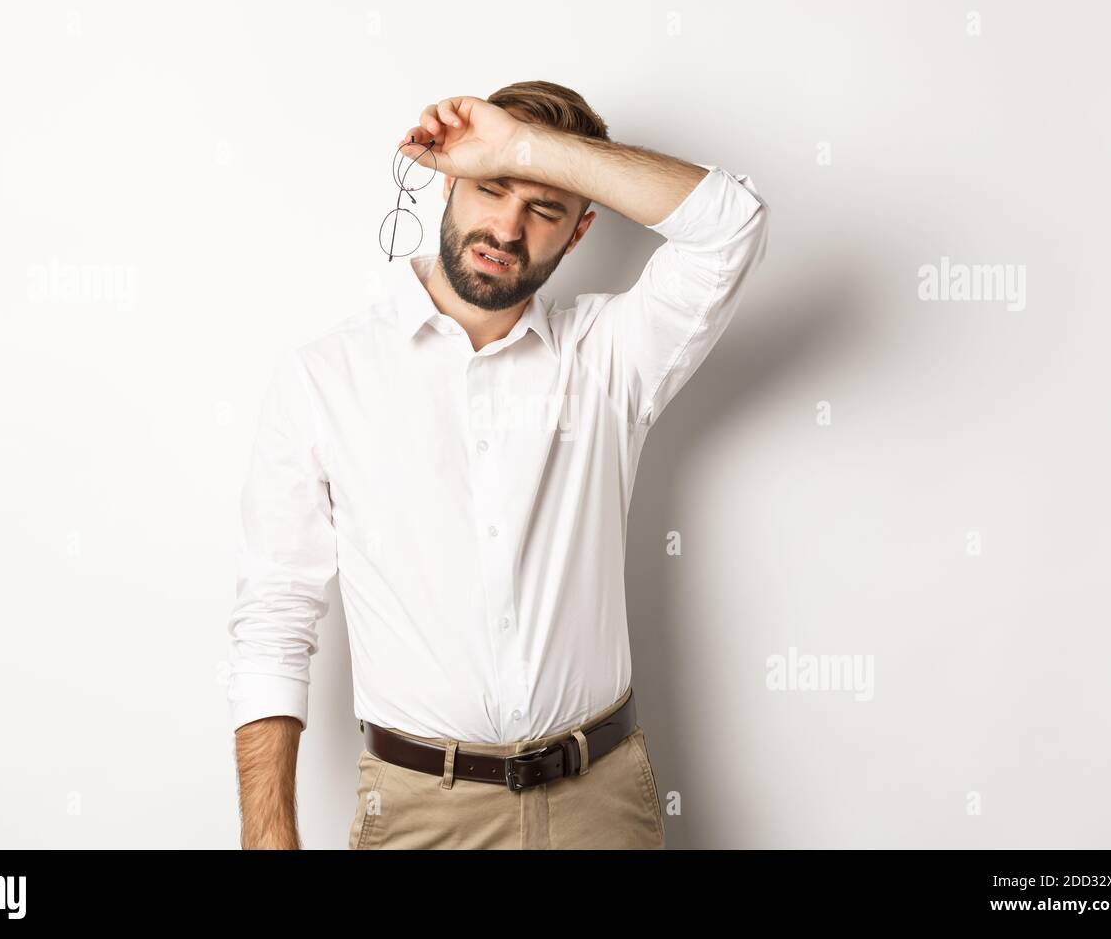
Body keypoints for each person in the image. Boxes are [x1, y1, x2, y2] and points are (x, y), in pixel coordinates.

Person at [228, 80, 769, 849]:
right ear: (449, 182)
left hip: (602, 804)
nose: (507, 227)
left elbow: (733, 224)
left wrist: (518, 148)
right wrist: (267, 837)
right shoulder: (326, 376)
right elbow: (273, 618)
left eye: (545, 208)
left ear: (579, 233)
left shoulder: (611, 356)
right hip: (422, 813)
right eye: (491, 190)